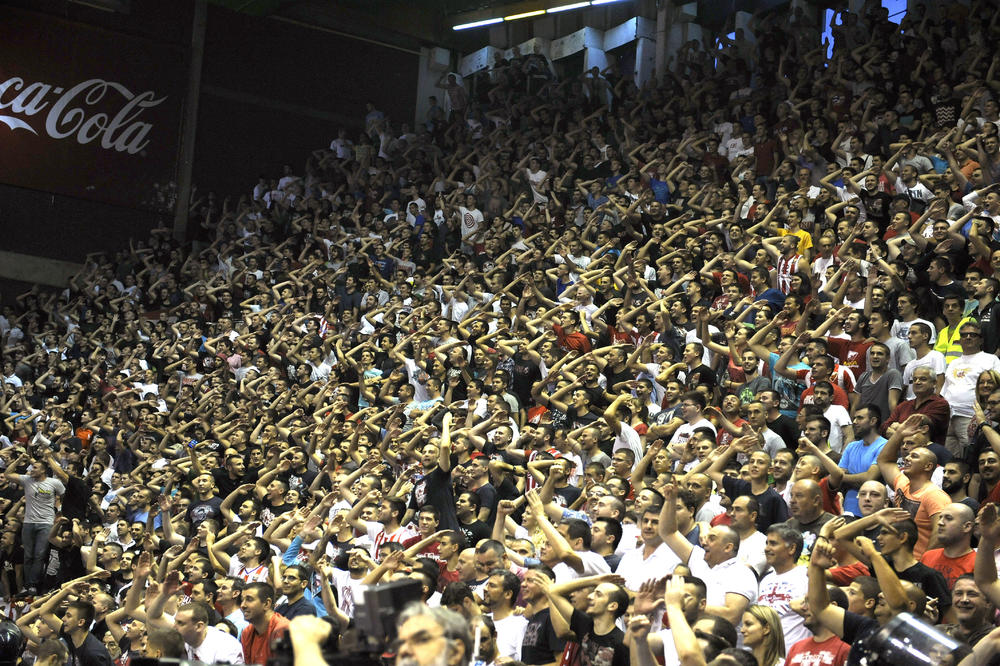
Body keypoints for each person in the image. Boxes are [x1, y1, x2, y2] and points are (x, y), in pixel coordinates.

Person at [876, 415, 951, 558]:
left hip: (917, 562)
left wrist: (922, 564)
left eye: (915, 456)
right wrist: (899, 433)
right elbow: (884, 461)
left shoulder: (935, 495)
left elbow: (940, 534)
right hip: (896, 559)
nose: (907, 458)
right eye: (908, 455)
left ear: (928, 466)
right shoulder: (902, 483)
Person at [3, 453, 65, 594]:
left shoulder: (54, 483)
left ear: (43, 470)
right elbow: (7, 474)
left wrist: (60, 512)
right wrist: (19, 459)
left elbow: (65, 496)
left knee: (39, 555)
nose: (31, 470)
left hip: (46, 523)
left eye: (35, 467)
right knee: (28, 555)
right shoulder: (27, 480)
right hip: (28, 522)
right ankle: (27, 586)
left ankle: (33, 584)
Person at [240, 582, 290, 665]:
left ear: (267, 604)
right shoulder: (247, 632)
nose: (242, 605)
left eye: (249, 599)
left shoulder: (283, 629)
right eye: (242, 600)